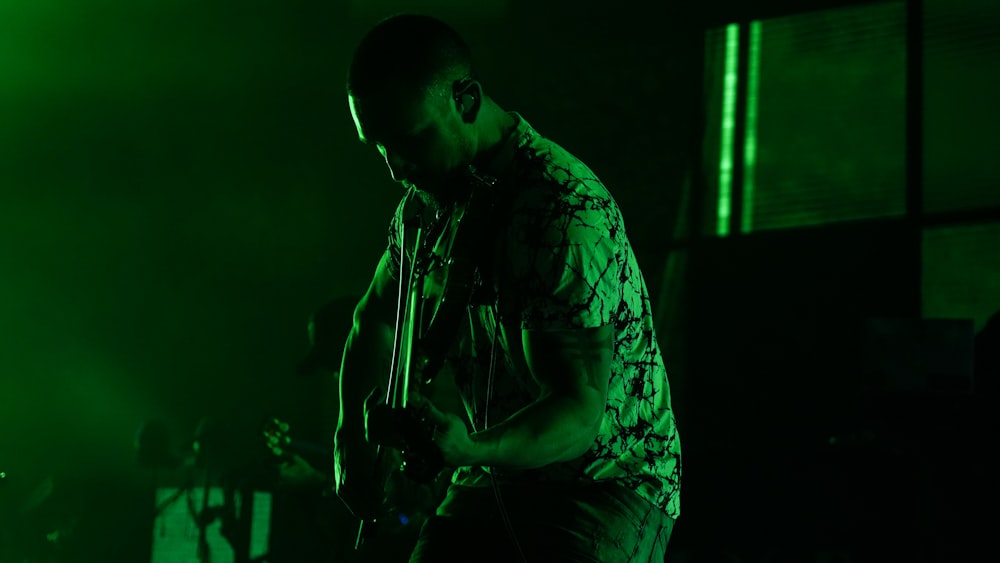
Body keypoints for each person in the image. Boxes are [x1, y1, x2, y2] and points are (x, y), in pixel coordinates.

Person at [334, 13, 681, 562]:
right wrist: (351, 437)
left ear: (466, 100)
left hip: (603, 481)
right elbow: (373, 319)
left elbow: (577, 410)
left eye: (408, 140)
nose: (395, 168)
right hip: (491, 471)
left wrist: (470, 447)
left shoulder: (563, 210)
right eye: (378, 146)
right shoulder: (426, 205)